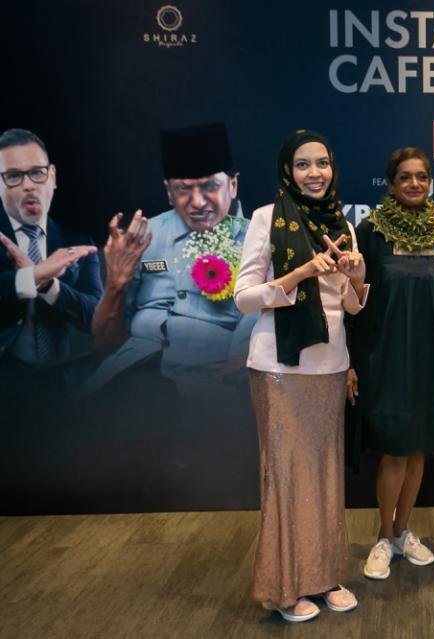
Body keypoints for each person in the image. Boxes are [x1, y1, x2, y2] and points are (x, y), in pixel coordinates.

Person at [234, 129, 367, 622]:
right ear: (287, 171)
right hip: (279, 368)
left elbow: (350, 305)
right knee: (287, 478)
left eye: (323, 164)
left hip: (329, 366)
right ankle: (286, 586)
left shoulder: (344, 225)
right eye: (304, 165)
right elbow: (244, 297)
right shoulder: (266, 219)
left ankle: (325, 575)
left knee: (324, 477)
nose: (315, 173)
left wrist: (354, 276)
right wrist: (298, 275)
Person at [348, 147, 434, 581]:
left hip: (431, 359)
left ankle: (403, 532)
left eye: (422, 176)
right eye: (406, 177)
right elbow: (352, 306)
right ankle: (383, 535)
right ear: (391, 184)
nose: (415, 184)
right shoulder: (370, 233)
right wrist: (351, 363)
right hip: (385, 358)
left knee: (419, 450)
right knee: (395, 450)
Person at [87, 121, 254, 394]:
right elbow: (104, 345)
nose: (198, 202)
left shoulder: (256, 240)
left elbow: (246, 354)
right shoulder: (142, 237)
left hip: (205, 388)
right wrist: (116, 283)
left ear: (233, 185)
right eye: (184, 189)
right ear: (168, 192)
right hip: (130, 376)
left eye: (210, 186)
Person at [0, 127, 102, 423]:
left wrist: (48, 284)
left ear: (53, 177)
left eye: (37, 173)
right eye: (14, 176)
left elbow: (94, 317)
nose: (29, 185)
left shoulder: (77, 241)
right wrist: (29, 277)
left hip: (60, 389)